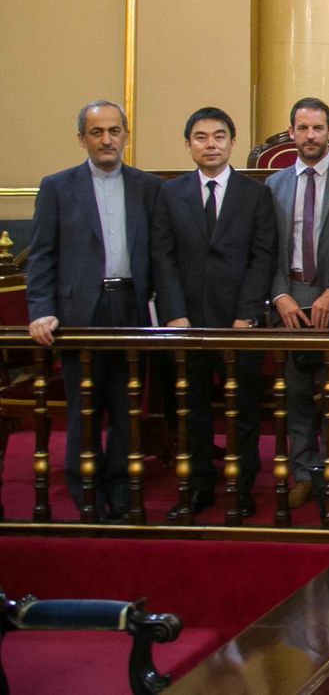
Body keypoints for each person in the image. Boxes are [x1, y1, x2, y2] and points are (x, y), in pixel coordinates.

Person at [26, 100, 161, 521]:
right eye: (97, 132)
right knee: (83, 406)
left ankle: (120, 488)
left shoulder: (148, 186)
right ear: (82, 138)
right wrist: (40, 309)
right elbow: (42, 256)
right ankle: (85, 488)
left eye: (114, 131)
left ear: (126, 134)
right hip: (77, 311)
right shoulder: (57, 187)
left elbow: (161, 256)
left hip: (131, 306)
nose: (107, 140)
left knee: (125, 405)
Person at [152, 106, 277, 522]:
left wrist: (246, 313)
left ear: (232, 142)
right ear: (188, 145)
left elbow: (263, 257)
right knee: (193, 411)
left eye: (219, 136)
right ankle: (197, 487)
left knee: (241, 409)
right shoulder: (169, 193)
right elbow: (163, 257)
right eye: (201, 137)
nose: (211, 144)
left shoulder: (255, 194)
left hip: (240, 322)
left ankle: (240, 490)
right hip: (187, 322)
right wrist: (174, 313)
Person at [265, 97, 329, 511]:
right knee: (296, 395)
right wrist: (279, 294)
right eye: (303, 128)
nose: (311, 136)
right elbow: (265, 248)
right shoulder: (275, 184)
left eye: (319, 128)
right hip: (290, 298)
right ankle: (302, 472)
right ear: (291, 133)